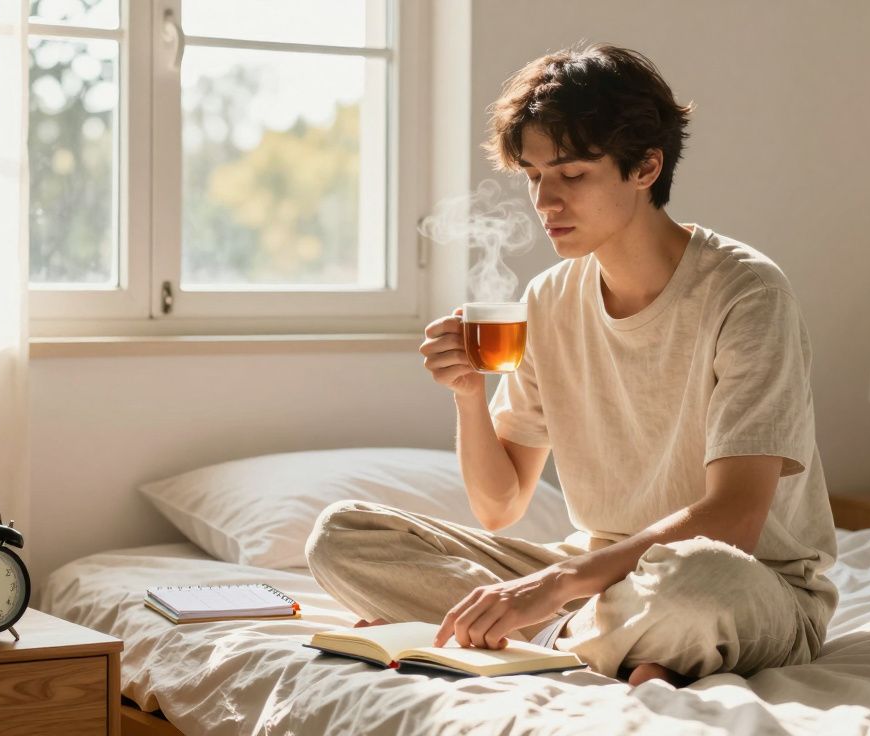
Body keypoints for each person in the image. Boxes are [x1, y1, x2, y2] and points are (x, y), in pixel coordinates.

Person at [305, 43, 838, 688]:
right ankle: (598, 640)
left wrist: (549, 588)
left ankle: (529, 634)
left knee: (698, 583)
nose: (544, 202)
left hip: (743, 578)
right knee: (342, 535)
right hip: (592, 579)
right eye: (533, 176)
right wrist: (469, 395)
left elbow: (734, 519)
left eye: (571, 174)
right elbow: (499, 507)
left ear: (645, 167)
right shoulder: (548, 299)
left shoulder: (746, 293)